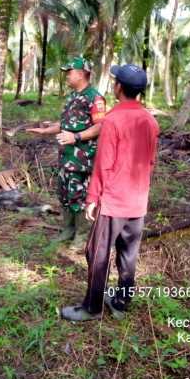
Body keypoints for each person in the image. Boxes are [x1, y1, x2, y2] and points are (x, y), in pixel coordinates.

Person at [59, 63, 160, 322]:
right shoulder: (150, 120)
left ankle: (92, 307)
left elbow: (103, 163)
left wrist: (92, 198)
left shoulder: (113, 120)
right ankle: (121, 302)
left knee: (97, 253)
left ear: (118, 88)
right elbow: (151, 161)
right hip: (137, 201)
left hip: (114, 201)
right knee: (128, 254)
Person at [26, 57, 106, 249]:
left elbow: (101, 126)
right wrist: (47, 130)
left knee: (80, 195)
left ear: (81, 73)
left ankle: (81, 235)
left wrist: (76, 138)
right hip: (66, 157)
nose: (67, 76)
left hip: (83, 158)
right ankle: (68, 229)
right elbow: (66, 124)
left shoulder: (94, 97)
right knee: (65, 193)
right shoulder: (72, 96)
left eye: (69, 72)